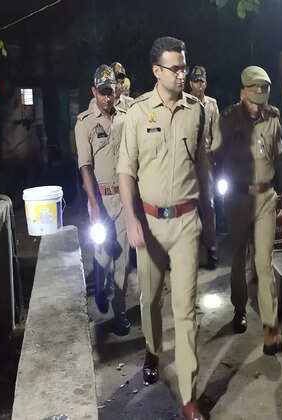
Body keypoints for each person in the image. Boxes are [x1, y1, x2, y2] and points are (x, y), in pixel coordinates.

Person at [117, 36, 213, 420]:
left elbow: (203, 168)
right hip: (151, 223)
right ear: (157, 71)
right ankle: (153, 349)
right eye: (175, 68)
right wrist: (131, 219)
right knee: (150, 300)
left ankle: (189, 396)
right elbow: (126, 170)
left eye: (184, 67)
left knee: (186, 310)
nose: (181, 74)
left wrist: (210, 218)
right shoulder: (138, 113)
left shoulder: (197, 112)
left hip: (187, 221)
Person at [217, 66, 282, 354]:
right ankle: (239, 309)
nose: (257, 107)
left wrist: (279, 196)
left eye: (261, 102)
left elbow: (277, 158)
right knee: (238, 258)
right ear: (243, 93)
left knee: (264, 263)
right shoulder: (228, 120)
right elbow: (216, 158)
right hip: (238, 199)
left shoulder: (273, 119)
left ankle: (270, 328)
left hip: (266, 197)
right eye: (253, 101)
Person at [74, 64, 131, 336]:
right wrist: (94, 205)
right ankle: (99, 286)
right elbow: (85, 167)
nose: (108, 97)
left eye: (111, 92)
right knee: (104, 255)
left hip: (124, 197)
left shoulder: (126, 117)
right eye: (103, 92)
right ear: (94, 91)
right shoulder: (85, 123)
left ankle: (120, 312)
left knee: (123, 260)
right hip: (101, 199)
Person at [189, 65, 221, 269]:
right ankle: (189, 250)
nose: (199, 85)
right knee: (187, 205)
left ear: (205, 83)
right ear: (190, 83)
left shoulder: (212, 105)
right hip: (187, 160)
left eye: (202, 81)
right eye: (196, 81)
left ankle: (210, 248)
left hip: (206, 159)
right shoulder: (184, 103)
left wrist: (214, 158)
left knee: (208, 205)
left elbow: (216, 134)